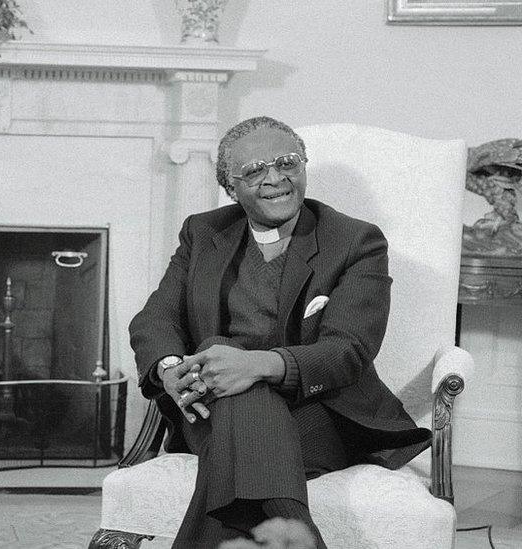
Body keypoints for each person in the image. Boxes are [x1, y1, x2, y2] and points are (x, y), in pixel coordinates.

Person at [129, 116, 431, 548]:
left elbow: (349, 350)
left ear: (304, 166)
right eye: (253, 171)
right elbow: (155, 318)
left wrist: (255, 366)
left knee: (227, 391)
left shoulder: (355, 240)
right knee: (223, 366)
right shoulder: (203, 231)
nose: (275, 178)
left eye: (286, 162)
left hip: (318, 410)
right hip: (209, 402)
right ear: (231, 188)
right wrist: (170, 366)